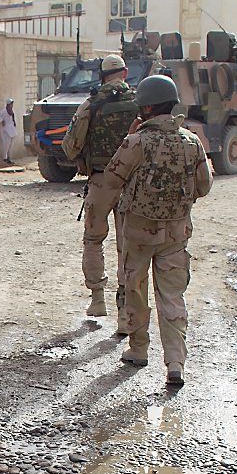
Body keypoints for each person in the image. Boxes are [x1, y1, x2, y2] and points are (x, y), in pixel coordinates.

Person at [101, 75, 213, 385]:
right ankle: (175, 363)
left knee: (135, 291)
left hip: (138, 233)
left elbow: (112, 179)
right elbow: (204, 186)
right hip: (176, 235)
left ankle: (138, 350)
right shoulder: (192, 142)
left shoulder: (137, 141)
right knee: (172, 297)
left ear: (148, 107)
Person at [62, 54, 138, 330]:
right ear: (125, 73)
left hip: (101, 180)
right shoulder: (141, 104)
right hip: (132, 182)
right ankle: (125, 310)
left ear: (101, 76)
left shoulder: (90, 105)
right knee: (128, 244)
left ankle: (97, 298)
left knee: (94, 240)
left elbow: (70, 146)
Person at [0, 98, 18, 165]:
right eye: (11, 104)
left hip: (11, 129)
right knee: (6, 145)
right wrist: (1, 120)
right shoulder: (4, 111)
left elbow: (12, 119)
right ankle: (4, 158)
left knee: (10, 145)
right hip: (5, 130)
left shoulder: (11, 111)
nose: (12, 105)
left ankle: (9, 157)